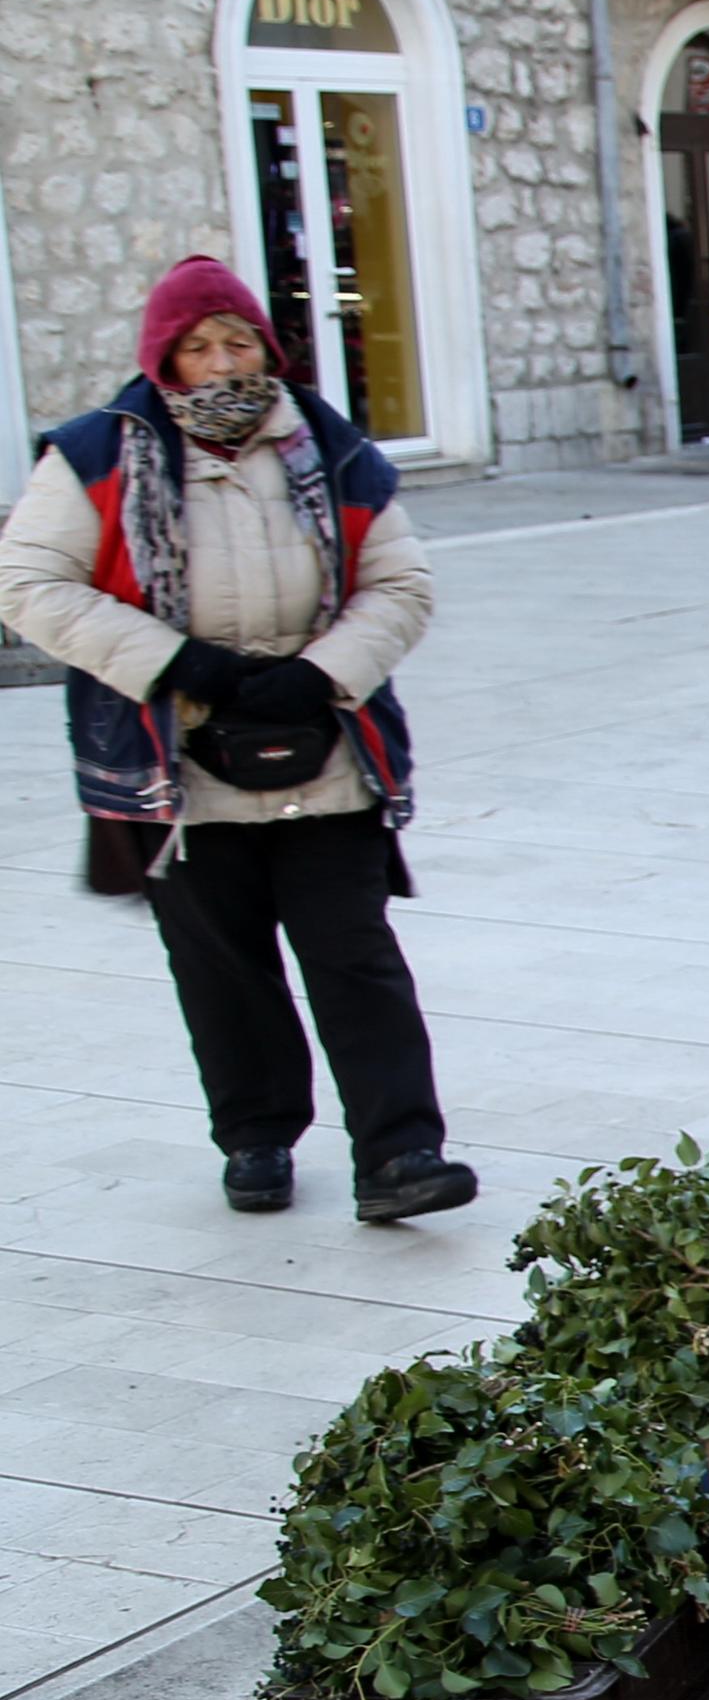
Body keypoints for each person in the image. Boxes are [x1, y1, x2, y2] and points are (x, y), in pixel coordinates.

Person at [0, 258, 476, 1223]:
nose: (222, 363)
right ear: (165, 357)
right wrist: (182, 664)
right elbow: (30, 587)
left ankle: (400, 1152)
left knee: (353, 952)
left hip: (324, 744)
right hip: (176, 756)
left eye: (239, 341)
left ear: (269, 345)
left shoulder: (331, 447)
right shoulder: (95, 454)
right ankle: (257, 1137)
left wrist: (319, 673)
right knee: (222, 962)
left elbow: (402, 584)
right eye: (198, 345)